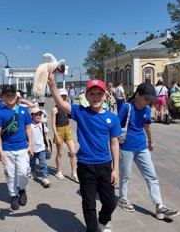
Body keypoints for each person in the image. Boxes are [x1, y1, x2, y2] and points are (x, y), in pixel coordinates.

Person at [48, 75, 121, 232]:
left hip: (105, 165)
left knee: (110, 202)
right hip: (86, 166)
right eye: (92, 94)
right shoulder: (80, 112)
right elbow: (61, 103)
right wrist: (53, 84)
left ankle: (103, 221)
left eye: (99, 94)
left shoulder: (112, 118)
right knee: (89, 203)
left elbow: (114, 144)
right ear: (86, 96)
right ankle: (92, 229)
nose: (95, 97)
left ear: (105, 95)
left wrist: (116, 168)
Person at [117, 82, 179, 220]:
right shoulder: (127, 107)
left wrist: (150, 141)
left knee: (151, 175)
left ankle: (159, 206)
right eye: (146, 99)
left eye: (150, 100)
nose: (148, 102)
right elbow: (115, 125)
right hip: (126, 147)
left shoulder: (146, 110)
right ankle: (123, 198)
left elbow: (147, 126)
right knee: (125, 175)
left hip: (142, 146)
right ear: (137, 94)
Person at [0, 84, 33, 211]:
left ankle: (22, 189)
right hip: (7, 149)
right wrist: (0, 152)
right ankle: (13, 196)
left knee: (24, 171)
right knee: (10, 174)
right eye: (7, 95)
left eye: (12, 94)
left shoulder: (23, 110)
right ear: (2, 98)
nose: (10, 97)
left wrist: (30, 144)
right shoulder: (0, 113)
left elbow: (28, 128)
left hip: (22, 148)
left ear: (16, 96)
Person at [52, 88, 78, 183]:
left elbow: (69, 118)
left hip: (67, 129)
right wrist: (56, 135)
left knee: (73, 152)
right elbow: (53, 123)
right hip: (59, 130)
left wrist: (69, 127)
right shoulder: (55, 109)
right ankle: (58, 171)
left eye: (64, 96)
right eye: (61, 96)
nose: (63, 98)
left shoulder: (68, 108)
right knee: (60, 152)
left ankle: (74, 172)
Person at [29, 106, 51, 188]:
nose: (38, 116)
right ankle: (33, 172)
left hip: (41, 148)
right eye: (36, 115)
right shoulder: (29, 125)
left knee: (43, 163)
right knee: (32, 162)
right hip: (32, 149)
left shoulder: (42, 125)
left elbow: (46, 136)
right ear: (32, 116)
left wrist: (48, 146)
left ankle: (45, 177)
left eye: (39, 114)